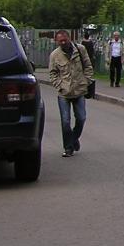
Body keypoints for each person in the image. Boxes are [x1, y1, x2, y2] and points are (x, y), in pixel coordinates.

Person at [48, 29, 93, 158]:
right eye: (60, 40)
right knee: (65, 121)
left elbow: (88, 66)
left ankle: (74, 138)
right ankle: (68, 148)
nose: (63, 42)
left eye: (64, 40)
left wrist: (87, 81)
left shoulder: (80, 49)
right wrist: (59, 86)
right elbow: (53, 73)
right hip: (64, 93)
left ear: (69, 39)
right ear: (57, 41)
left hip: (79, 90)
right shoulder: (54, 55)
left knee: (81, 118)